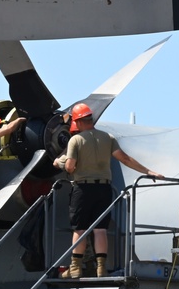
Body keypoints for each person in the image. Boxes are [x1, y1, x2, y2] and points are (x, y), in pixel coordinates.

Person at [53, 103, 163, 278]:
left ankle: (75, 268)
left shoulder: (76, 140)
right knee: (100, 229)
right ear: (90, 119)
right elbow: (125, 159)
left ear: (78, 122)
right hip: (104, 189)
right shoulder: (108, 138)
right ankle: (101, 268)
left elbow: (70, 167)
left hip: (82, 189)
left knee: (79, 229)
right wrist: (149, 171)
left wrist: (59, 162)